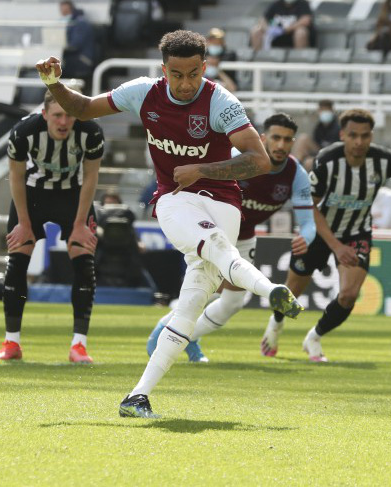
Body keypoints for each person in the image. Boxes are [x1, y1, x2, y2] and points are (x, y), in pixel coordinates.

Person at [35, 29, 303, 418]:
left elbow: (259, 160)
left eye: (193, 73)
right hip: (174, 197)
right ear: (164, 70)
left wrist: (203, 168)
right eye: (177, 75)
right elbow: (82, 108)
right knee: (218, 251)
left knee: (190, 306)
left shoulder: (220, 101)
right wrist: (52, 82)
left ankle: (137, 396)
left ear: (204, 67)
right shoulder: (143, 92)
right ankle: (269, 288)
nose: (185, 82)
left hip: (225, 202)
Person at [260, 108, 391, 362]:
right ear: (342, 135)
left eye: (365, 136)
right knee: (292, 290)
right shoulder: (327, 160)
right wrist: (335, 245)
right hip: (320, 230)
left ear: (371, 136)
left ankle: (314, 337)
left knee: (349, 295)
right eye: (353, 135)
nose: (359, 142)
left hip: (357, 233)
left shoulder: (384, 161)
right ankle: (275, 324)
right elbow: (310, 207)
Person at [145, 112, 316, 362]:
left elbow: (308, 223)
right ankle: (162, 337)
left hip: (244, 237)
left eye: (287, 140)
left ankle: (188, 338)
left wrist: (306, 237)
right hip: (213, 232)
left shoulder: (295, 174)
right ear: (263, 138)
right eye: (276, 138)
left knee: (234, 302)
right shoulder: (236, 161)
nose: (281, 145)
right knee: (204, 291)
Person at [0, 89, 104, 363]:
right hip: (33, 195)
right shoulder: (23, 132)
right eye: (57, 115)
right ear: (45, 114)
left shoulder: (91, 132)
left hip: (73, 196)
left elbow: (90, 177)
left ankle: (79, 345)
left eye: (68, 115)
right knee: (17, 259)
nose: (63, 122)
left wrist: (79, 224)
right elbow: (15, 178)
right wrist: (24, 223)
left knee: (84, 260)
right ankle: (11, 343)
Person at [95, 191, 156, 290]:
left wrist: (138, 244)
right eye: (108, 204)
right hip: (103, 258)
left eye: (114, 204)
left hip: (127, 258)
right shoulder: (98, 227)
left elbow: (138, 242)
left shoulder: (128, 228)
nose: (112, 208)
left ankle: (154, 294)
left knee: (140, 270)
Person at [292, 99, 340, 171]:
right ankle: (293, 165)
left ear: (332, 111)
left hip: (332, 156)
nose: (324, 113)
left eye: (327, 110)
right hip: (319, 152)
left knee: (309, 163)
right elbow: (316, 144)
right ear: (319, 111)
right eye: (322, 110)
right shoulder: (319, 126)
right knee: (303, 138)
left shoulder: (338, 127)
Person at [250, 0, 315, 50]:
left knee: (301, 32)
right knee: (256, 30)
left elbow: (306, 20)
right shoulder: (276, 4)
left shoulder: (302, 4)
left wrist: (286, 30)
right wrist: (268, 29)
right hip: (275, 37)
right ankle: (259, 60)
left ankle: (300, 59)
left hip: (292, 36)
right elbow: (263, 19)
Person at [59, 1, 97, 85]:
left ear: (71, 10)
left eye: (66, 12)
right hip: (72, 57)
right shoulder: (68, 23)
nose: (64, 14)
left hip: (82, 59)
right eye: (62, 12)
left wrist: (62, 47)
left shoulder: (80, 23)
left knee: (54, 68)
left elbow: (74, 45)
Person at [204, 28, 238, 92]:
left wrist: (217, 70)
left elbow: (232, 88)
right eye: (212, 40)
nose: (215, 42)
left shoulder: (229, 54)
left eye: (218, 40)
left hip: (225, 86)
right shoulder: (202, 53)